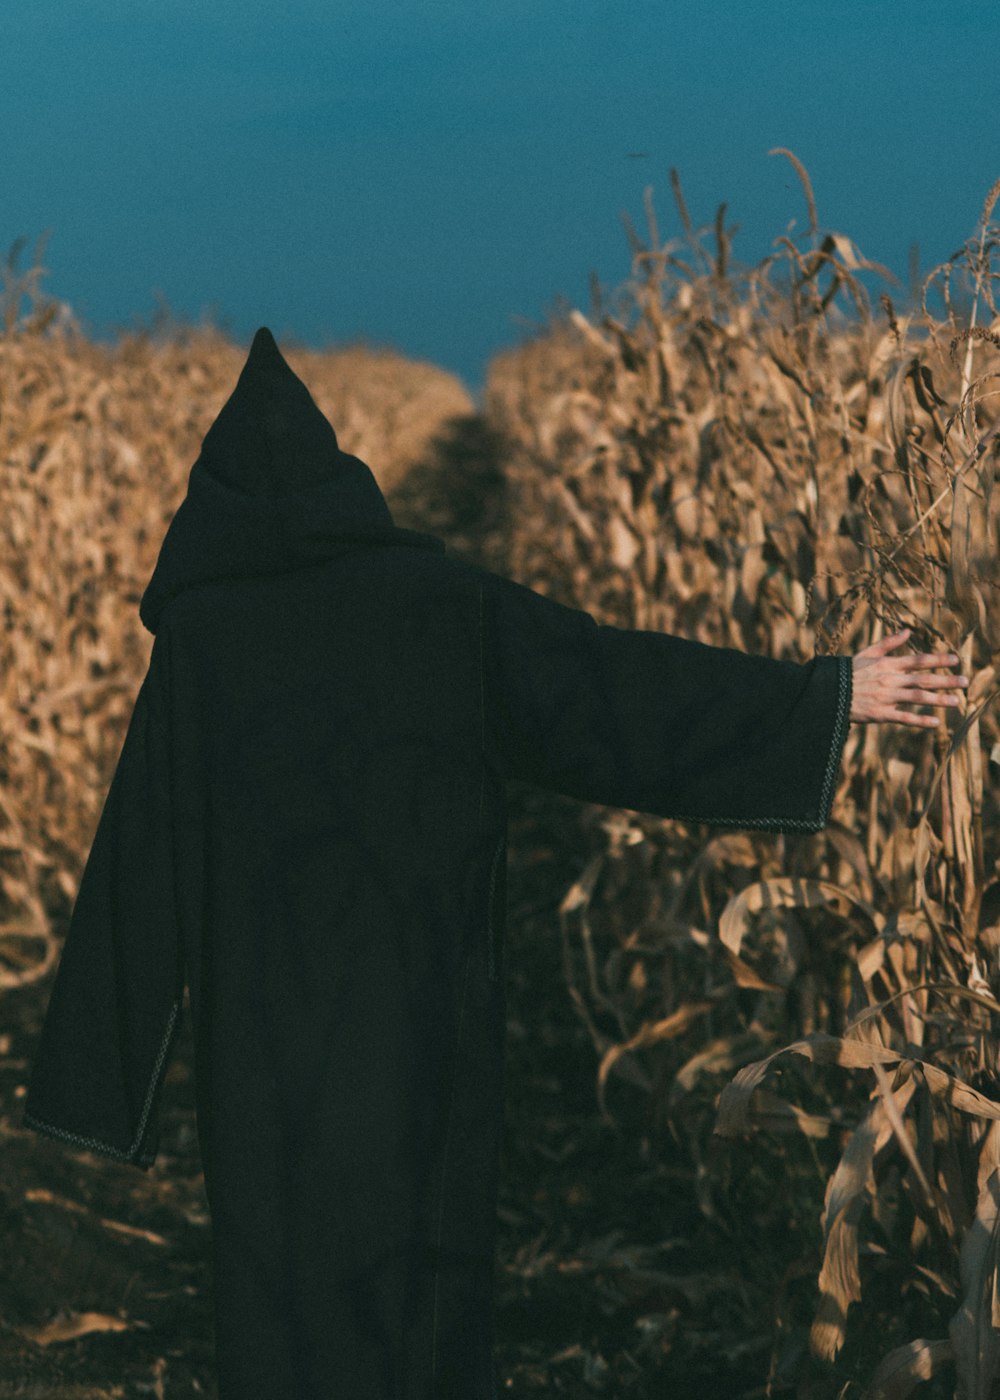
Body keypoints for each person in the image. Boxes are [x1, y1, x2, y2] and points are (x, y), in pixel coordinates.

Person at [21, 328, 969, 1399]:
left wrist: (97, 1082)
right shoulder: (446, 610)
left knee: (274, 1251)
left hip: (262, 1026)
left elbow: (139, 858)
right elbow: (615, 691)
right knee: (417, 1252)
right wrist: (823, 692)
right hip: (417, 1007)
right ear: (348, 488)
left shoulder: (198, 645)